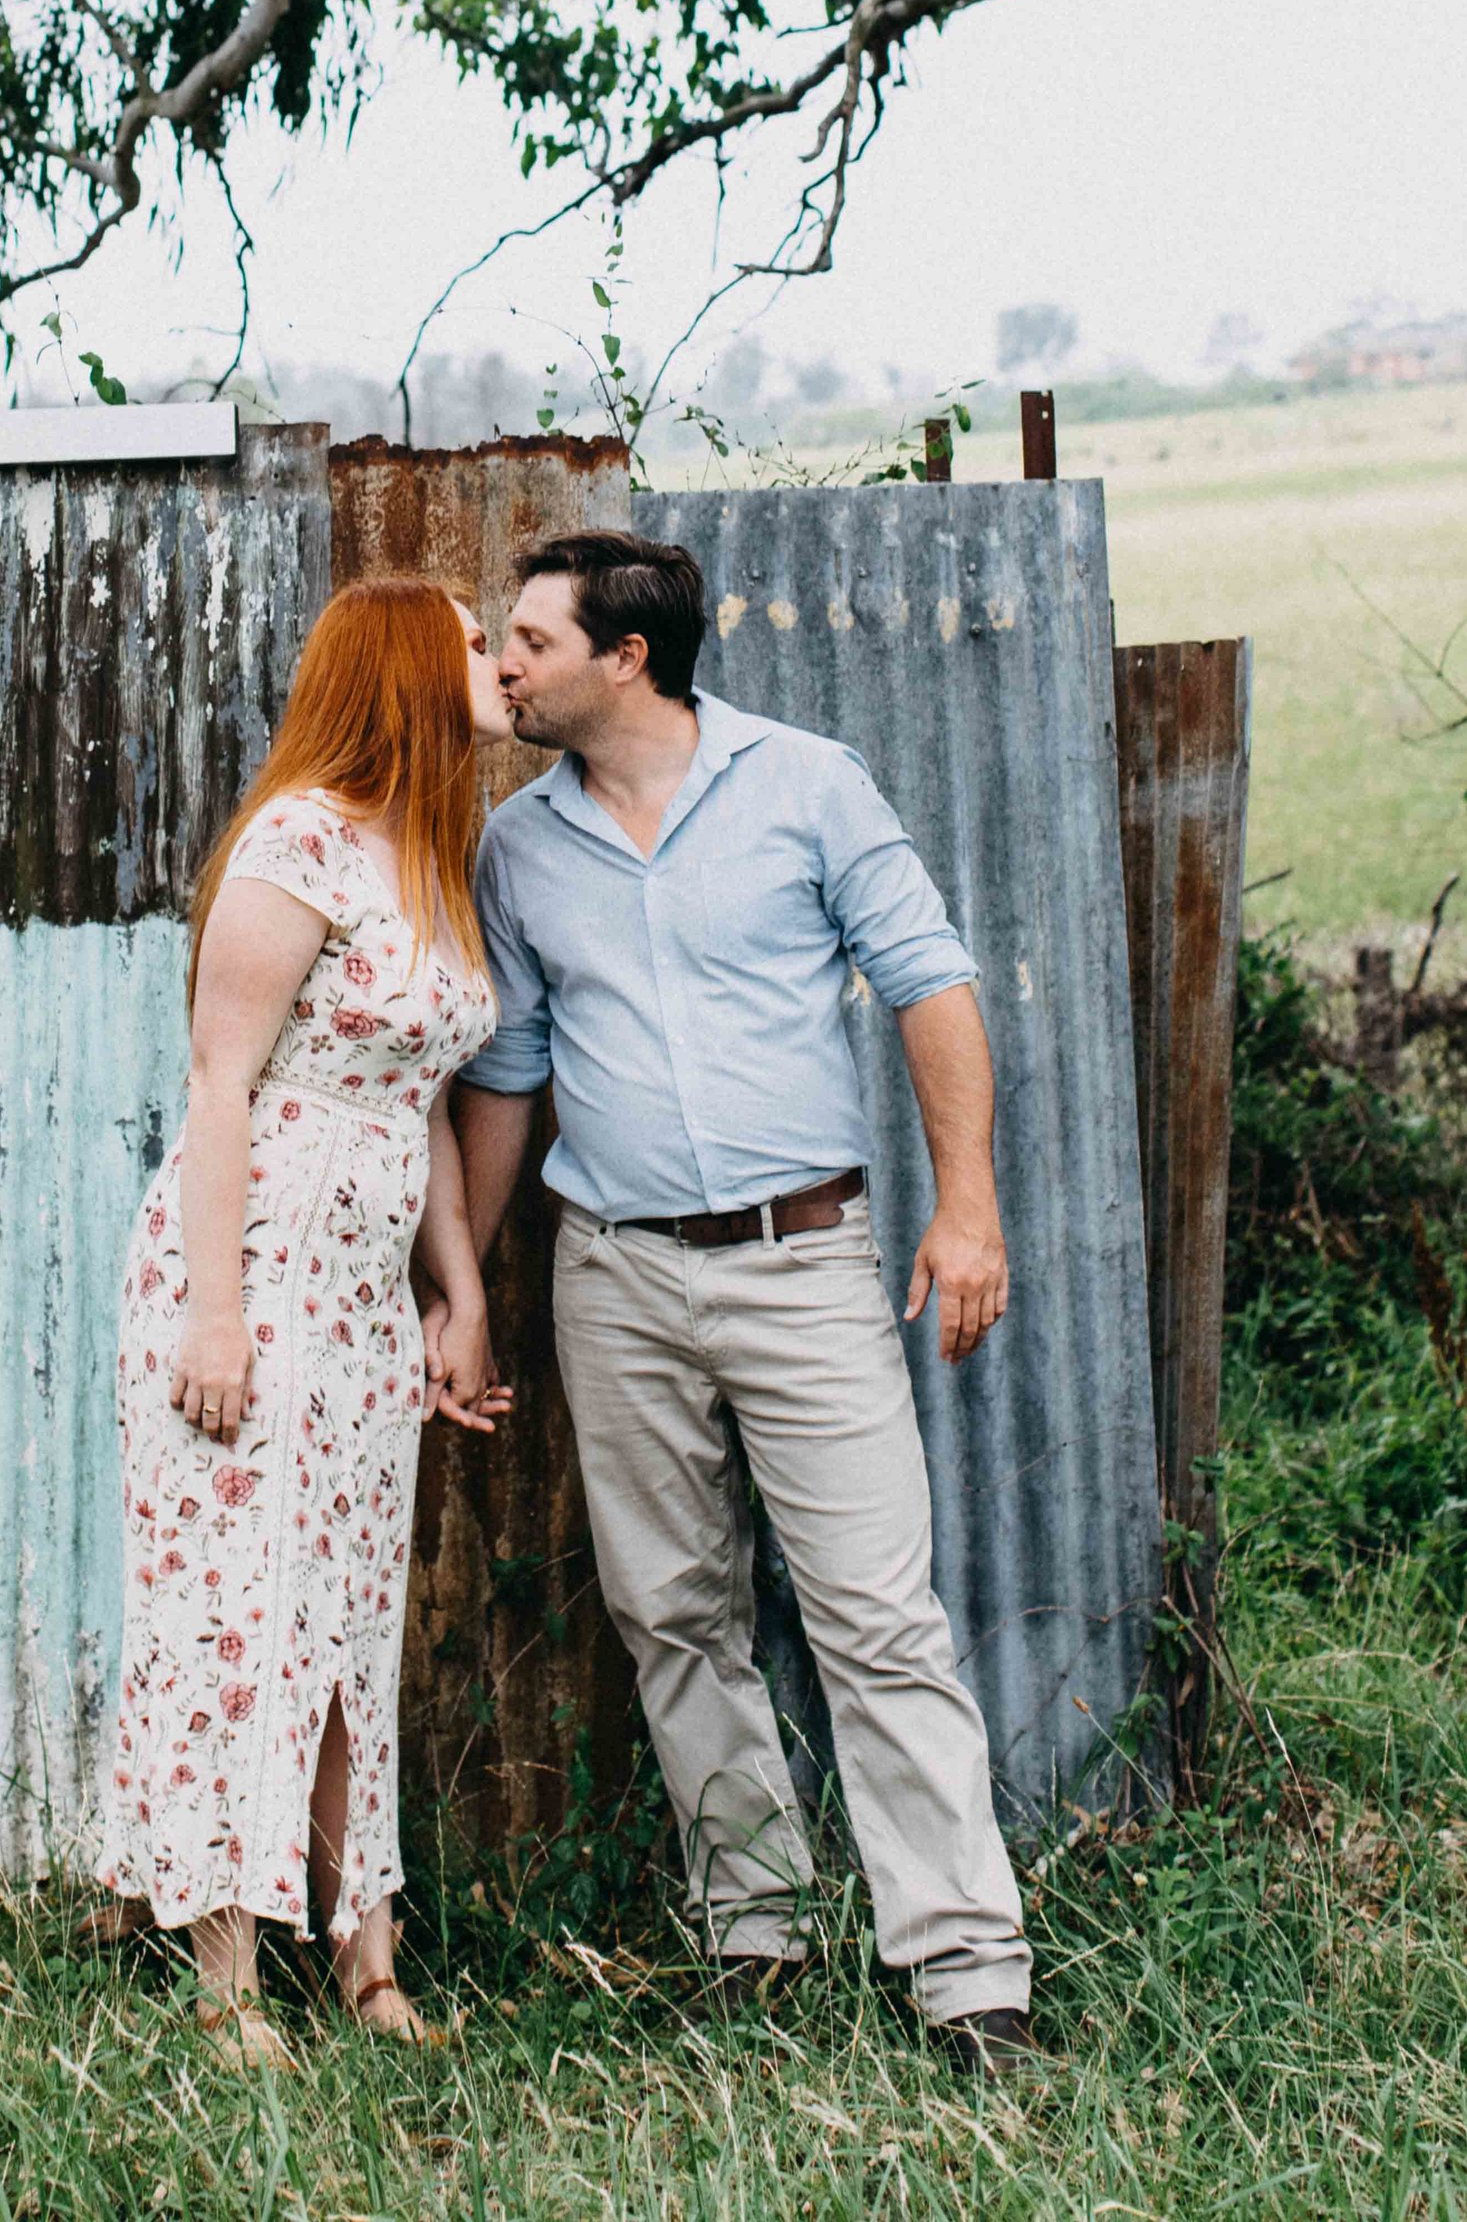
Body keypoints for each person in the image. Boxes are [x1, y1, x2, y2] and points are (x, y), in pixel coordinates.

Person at [448, 530, 1039, 2076]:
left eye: (526, 639)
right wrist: (461, 1290)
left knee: (875, 1612)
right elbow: (509, 1079)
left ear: (623, 656)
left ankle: (971, 1976)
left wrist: (967, 1205)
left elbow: (930, 980)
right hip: (617, 1273)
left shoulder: (807, 783)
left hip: (803, 1263)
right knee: (673, 1615)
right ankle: (753, 1936)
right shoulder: (520, 848)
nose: (501, 664)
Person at [102, 577, 514, 2065]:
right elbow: (222, 1085)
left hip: (358, 1302)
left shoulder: (432, 855)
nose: (498, 659)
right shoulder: (299, 840)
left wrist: (452, 1294)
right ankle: (229, 1987)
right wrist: (219, 1317)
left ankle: (369, 1966)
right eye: (475, 640)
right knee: (245, 1612)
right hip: (250, 1279)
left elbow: (421, 1109)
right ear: (408, 662)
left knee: (349, 1625)